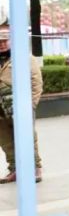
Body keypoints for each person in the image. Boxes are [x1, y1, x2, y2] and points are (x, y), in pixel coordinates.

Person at [0, 22, 44, 184]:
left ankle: (35, 168)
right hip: (0, 110)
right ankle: (14, 169)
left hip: (20, 107)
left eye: (5, 40)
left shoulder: (24, 57)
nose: (2, 44)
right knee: (5, 141)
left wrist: (30, 106)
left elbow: (36, 82)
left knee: (27, 138)